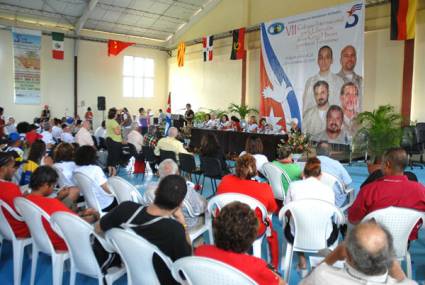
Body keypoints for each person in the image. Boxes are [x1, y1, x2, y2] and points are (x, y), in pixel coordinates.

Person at [95, 175, 192, 285]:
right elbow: (185, 271)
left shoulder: (125, 208)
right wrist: (183, 223)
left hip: (133, 269)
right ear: (180, 203)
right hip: (162, 280)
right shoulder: (175, 230)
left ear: (156, 191)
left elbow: (97, 228)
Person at [300, 220, 416, 285]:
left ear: (348, 255)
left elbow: (305, 282)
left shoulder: (322, 276)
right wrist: (390, 259)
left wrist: (333, 256)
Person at [196, 202, 285, 285]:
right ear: (252, 238)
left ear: (216, 227)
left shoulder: (200, 251)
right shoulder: (257, 267)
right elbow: (281, 283)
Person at [348, 148, 425, 240]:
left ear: (387, 164)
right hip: (404, 241)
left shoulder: (369, 190)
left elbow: (353, 218)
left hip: (371, 243)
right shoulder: (420, 190)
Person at [26, 166, 99, 251]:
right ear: (46, 185)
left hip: (41, 237)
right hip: (62, 241)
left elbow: (46, 206)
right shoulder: (52, 204)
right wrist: (92, 216)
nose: (54, 188)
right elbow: (76, 221)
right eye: (53, 185)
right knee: (95, 216)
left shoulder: (25, 198)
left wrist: (59, 197)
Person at [285, 157, 337, 270]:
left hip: (296, 236)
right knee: (332, 225)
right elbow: (331, 213)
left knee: (296, 224)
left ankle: (302, 259)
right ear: (320, 175)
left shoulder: (293, 186)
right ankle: (321, 263)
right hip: (324, 237)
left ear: (304, 173)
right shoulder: (328, 189)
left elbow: (287, 211)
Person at [141, 159, 207, 229]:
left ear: (158, 173)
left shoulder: (150, 187)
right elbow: (199, 210)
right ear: (177, 173)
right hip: (182, 225)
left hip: (157, 222)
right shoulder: (186, 191)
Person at [74, 145, 118, 212]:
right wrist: (117, 193)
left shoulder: (76, 170)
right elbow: (106, 188)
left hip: (91, 204)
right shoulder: (95, 169)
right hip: (106, 204)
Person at [302, 46, 344, 114]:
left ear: (332, 60)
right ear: (318, 60)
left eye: (327, 57)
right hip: (314, 123)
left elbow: (342, 107)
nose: (324, 61)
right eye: (321, 58)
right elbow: (305, 108)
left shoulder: (339, 82)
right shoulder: (310, 82)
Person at [0, 152, 30, 238]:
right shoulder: (10, 187)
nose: (15, 170)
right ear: (3, 169)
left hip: (3, 229)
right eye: (13, 167)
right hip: (17, 229)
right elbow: (21, 211)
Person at [316, 141, 353, 207]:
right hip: (334, 203)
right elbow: (348, 182)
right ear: (330, 153)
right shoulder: (337, 164)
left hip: (313, 199)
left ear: (316, 152)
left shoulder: (308, 164)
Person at [106, 107, 123, 177]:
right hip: (115, 142)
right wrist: (120, 128)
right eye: (116, 114)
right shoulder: (114, 122)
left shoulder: (108, 120)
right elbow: (117, 133)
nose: (117, 115)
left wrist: (119, 125)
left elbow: (114, 129)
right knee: (115, 157)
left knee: (110, 156)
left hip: (108, 140)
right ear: (114, 115)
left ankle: (110, 172)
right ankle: (114, 173)